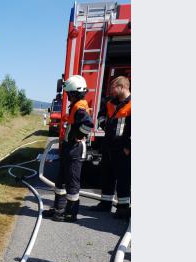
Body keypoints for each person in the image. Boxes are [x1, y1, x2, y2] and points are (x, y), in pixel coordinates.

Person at [42, 75, 94, 222]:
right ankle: (59, 210)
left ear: (74, 93)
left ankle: (70, 214)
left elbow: (88, 125)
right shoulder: (77, 105)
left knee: (72, 182)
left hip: (75, 149)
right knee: (61, 181)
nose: (68, 97)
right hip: (69, 148)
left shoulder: (80, 107)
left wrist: (77, 135)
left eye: (69, 94)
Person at [91, 76, 131, 219]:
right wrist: (105, 125)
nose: (111, 91)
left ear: (122, 87)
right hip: (108, 146)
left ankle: (123, 209)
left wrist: (128, 147)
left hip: (122, 149)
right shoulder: (109, 103)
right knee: (107, 176)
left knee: (123, 179)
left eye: (113, 88)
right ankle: (105, 204)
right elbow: (101, 117)